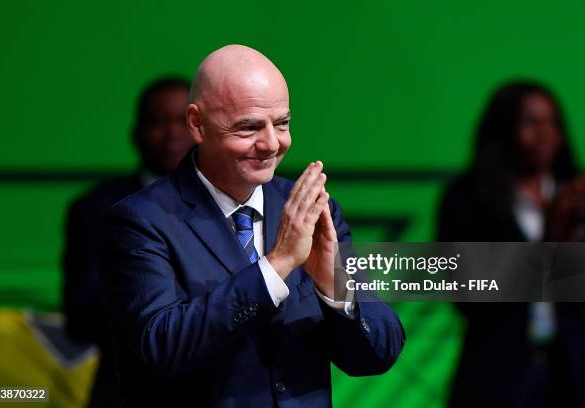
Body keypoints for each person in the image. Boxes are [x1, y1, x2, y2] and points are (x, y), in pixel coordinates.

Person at [100, 44, 405, 407]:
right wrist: (276, 267)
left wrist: (333, 286)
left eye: (282, 123)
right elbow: (160, 347)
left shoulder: (311, 209)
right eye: (248, 128)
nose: (271, 143)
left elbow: (378, 353)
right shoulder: (141, 220)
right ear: (197, 123)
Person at [437, 80, 585, 407]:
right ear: (503, 129)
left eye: (553, 122)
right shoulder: (466, 198)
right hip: (497, 374)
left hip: (572, 372)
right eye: (531, 122)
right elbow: (464, 290)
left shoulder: (575, 195)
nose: (545, 134)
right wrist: (550, 240)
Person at [62, 76, 193, 407]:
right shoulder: (96, 208)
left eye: (183, 122)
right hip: (125, 392)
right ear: (136, 135)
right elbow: (79, 316)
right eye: (158, 122)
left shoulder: (238, 204)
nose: (172, 133)